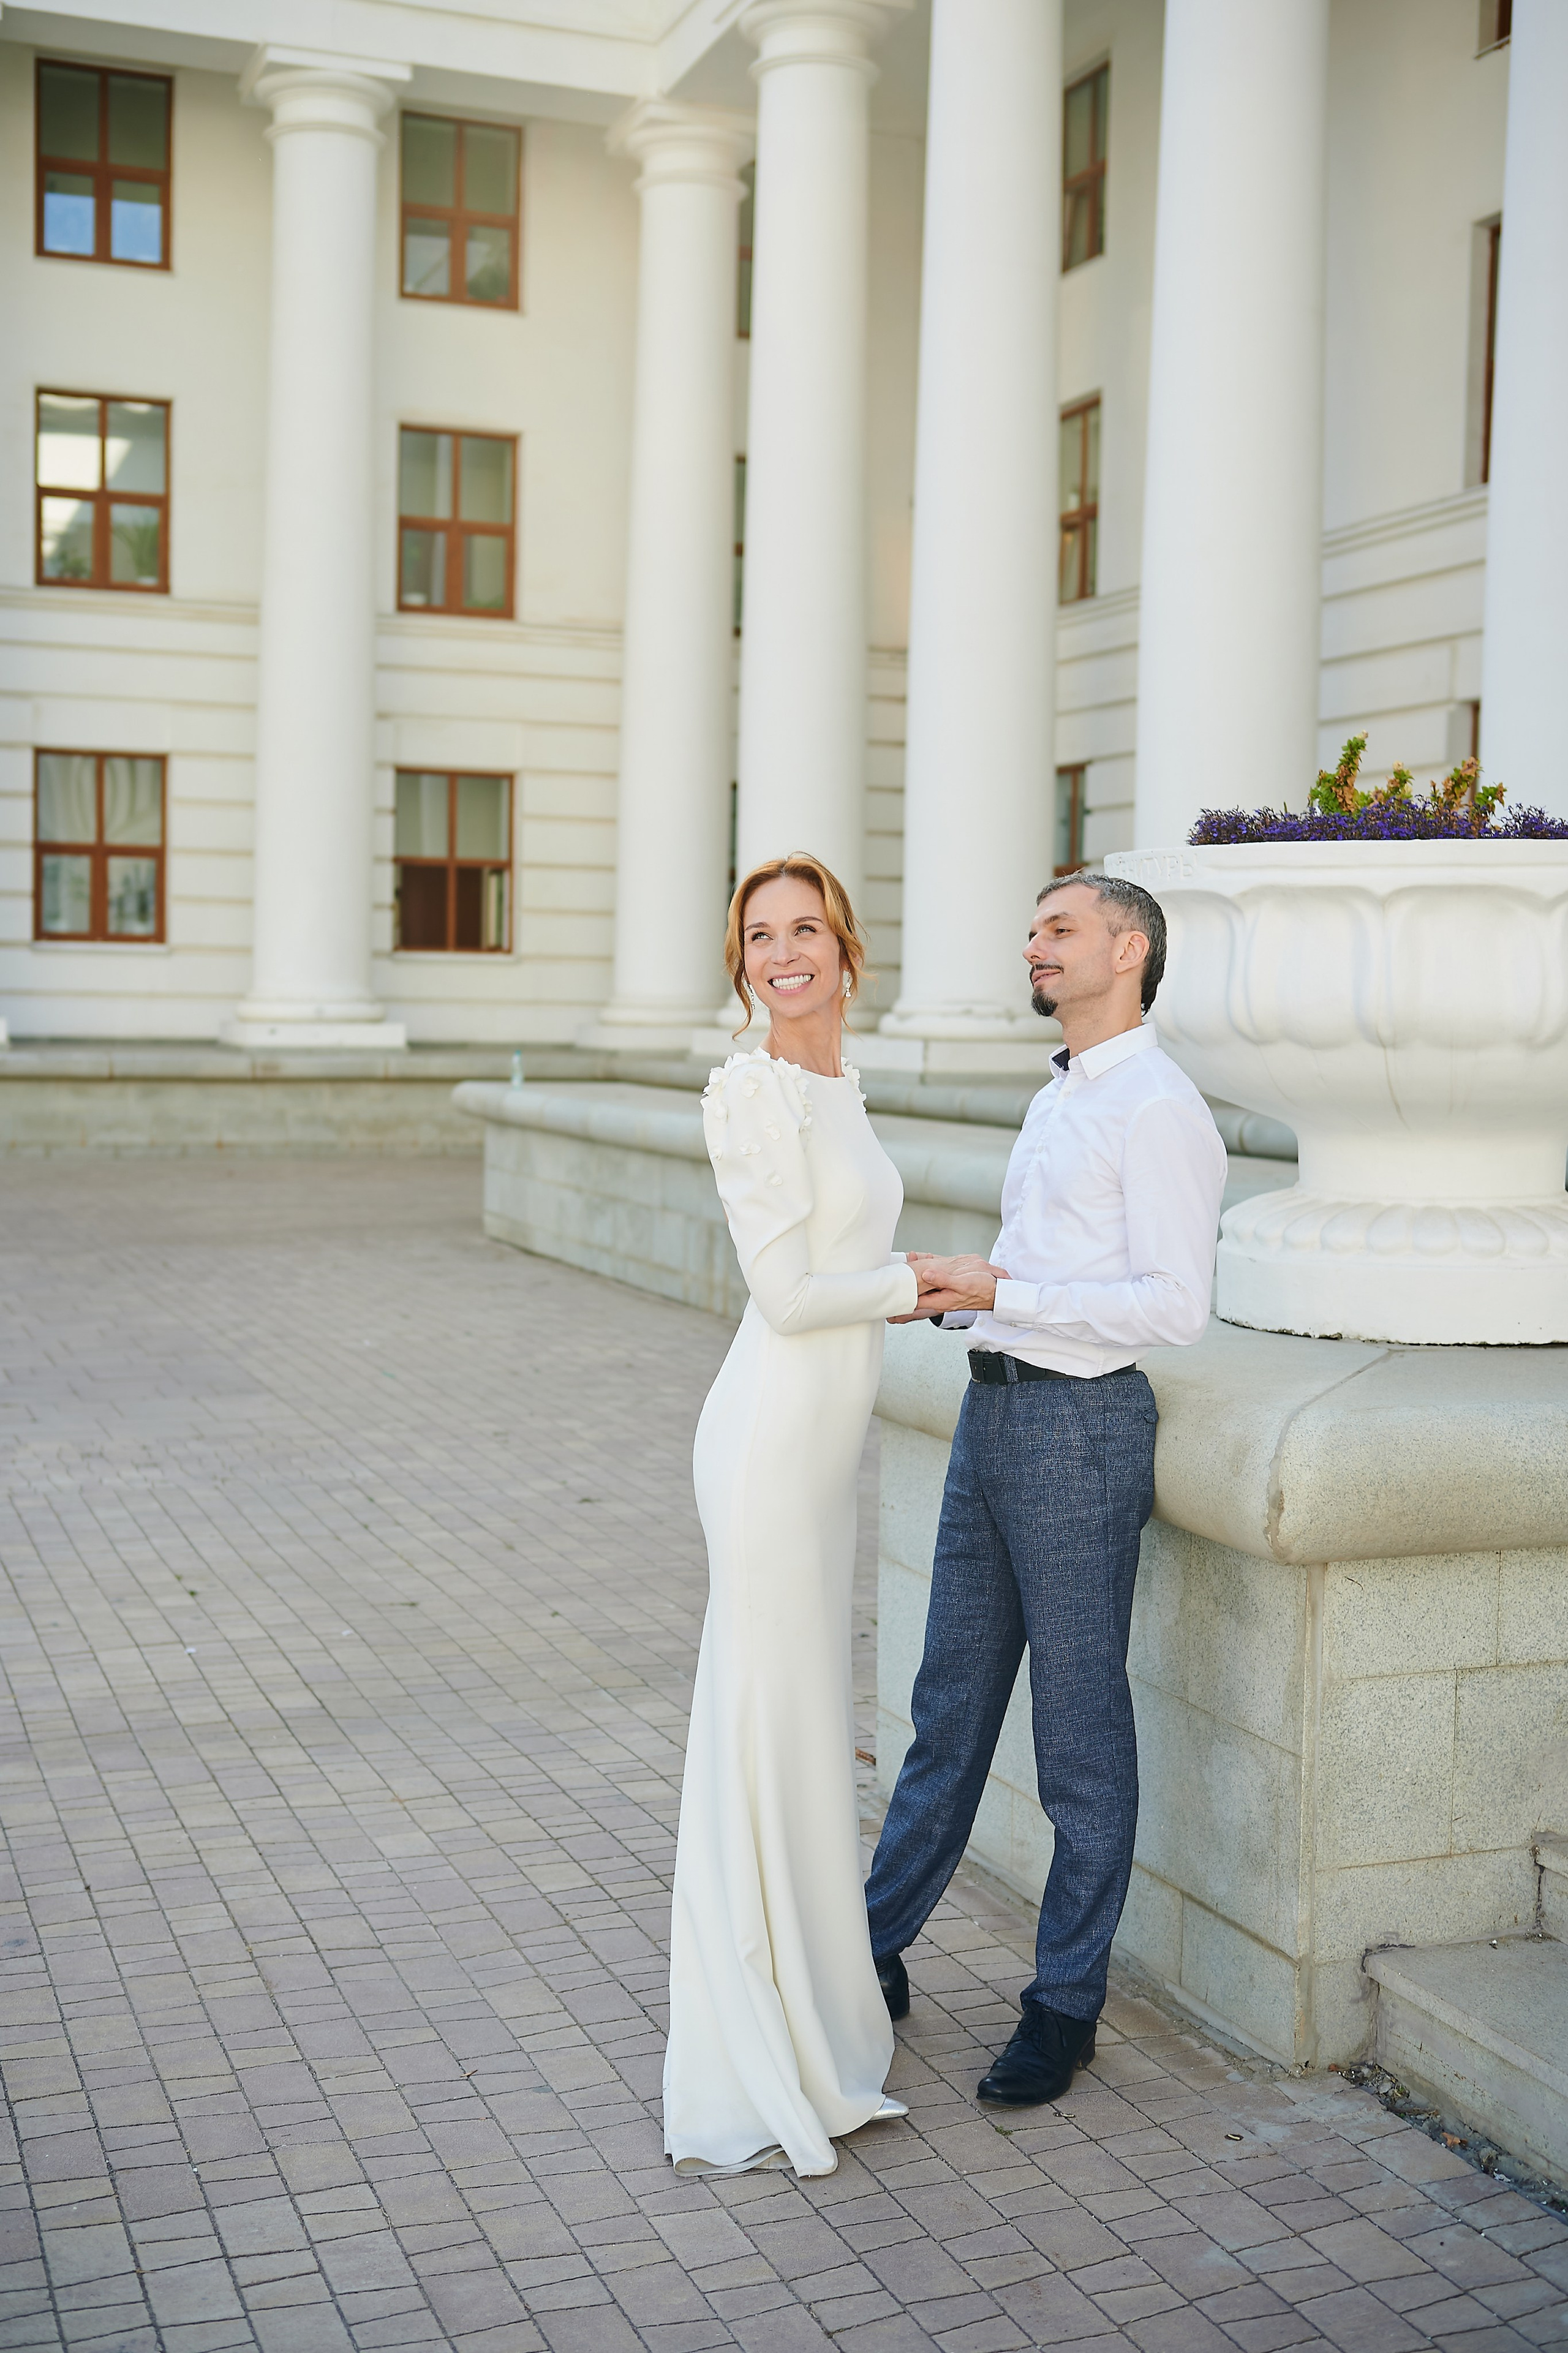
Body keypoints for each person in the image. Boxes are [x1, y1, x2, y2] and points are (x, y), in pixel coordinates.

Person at [864, 871, 1227, 2109]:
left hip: (1080, 1429)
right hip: (995, 1411)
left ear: (1127, 950)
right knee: (946, 1707)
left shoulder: (1161, 1108)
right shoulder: (1057, 1093)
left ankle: (1063, 2005)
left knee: (1076, 1736)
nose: (1031, 944)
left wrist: (1002, 1290)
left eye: (1056, 929)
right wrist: (963, 1289)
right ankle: (871, 1948)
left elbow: (1172, 1306)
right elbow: (1045, 1265)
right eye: (1030, 928)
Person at [663, 851, 946, 2177]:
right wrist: (920, 1281)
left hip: (823, 1456)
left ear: (845, 947)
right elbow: (785, 1294)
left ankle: (813, 2007)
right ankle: (753, 2040)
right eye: (757, 935)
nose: (783, 952)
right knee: (765, 1729)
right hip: (770, 1442)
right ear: (742, 965)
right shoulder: (749, 1089)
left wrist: (905, 1283)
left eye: (805, 928)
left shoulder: (837, 1082)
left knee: (800, 1728)